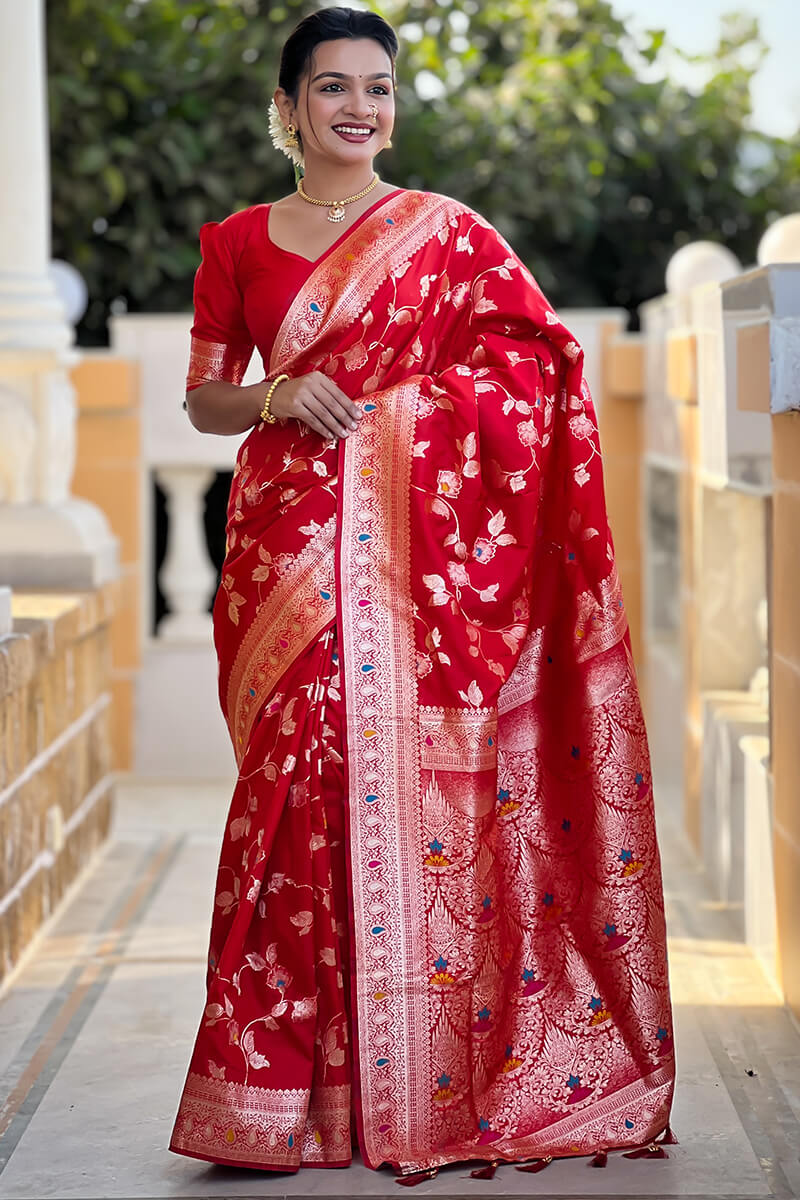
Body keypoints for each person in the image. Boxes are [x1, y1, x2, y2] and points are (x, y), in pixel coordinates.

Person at [169, 6, 675, 1184]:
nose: (359, 108)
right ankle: (270, 1092)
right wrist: (281, 393)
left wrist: (398, 420)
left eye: (378, 88)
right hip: (283, 548)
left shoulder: (445, 233)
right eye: (333, 87)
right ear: (287, 106)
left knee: (375, 777)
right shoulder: (237, 241)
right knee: (290, 786)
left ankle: (402, 1080)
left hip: (412, 563)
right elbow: (203, 400)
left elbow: (534, 365)